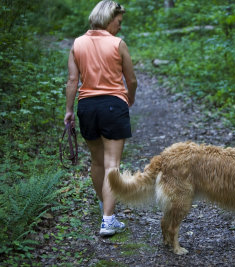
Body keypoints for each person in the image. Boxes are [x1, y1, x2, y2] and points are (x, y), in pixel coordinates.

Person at [64, 0, 137, 237]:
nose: (120, 26)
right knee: (112, 164)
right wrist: (130, 99)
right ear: (108, 19)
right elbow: (132, 80)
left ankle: (104, 206)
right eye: (119, 21)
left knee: (97, 163)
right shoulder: (118, 44)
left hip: (86, 107)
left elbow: (73, 81)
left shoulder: (77, 44)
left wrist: (68, 110)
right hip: (113, 105)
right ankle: (108, 219)